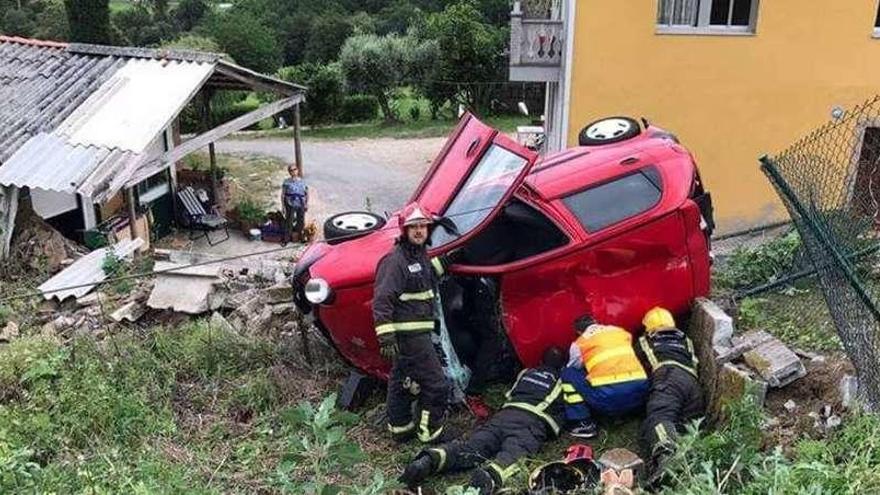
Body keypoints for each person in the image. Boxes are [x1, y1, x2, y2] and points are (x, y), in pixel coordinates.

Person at [400, 346, 568, 494]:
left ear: (540, 360)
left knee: (471, 448)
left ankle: (432, 458)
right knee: (514, 455)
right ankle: (490, 476)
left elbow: (510, 394)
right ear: (561, 366)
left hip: (504, 416)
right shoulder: (561, 381)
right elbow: (564, 410)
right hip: (530, 422)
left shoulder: (526, 373)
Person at [373, 202, 455, 444]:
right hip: (410, 335)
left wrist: (451, 259)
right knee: (437, 385)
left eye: (423, 226)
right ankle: (431, 432)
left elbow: (425, 276)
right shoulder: (395, 261)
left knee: (401, 380)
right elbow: (382, 298)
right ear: (404, 231)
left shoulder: (417, 255)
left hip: (416, 332)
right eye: (414, 227)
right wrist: (385, 336)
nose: (419, 231)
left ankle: (400, 428)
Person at [633, 307, 703, 486]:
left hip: (668, 377)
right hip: (692, 384)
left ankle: (668, 458)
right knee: (684, 426)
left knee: (659, 418)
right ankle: (688, 466)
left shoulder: (645, 341)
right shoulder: (686, 340)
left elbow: (636, 366)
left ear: (649, 328)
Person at [561, 317, 649, 438]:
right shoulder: (618, 331)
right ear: (596, 323)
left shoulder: (579, 343)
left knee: (568, 372)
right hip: (641, 395)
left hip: (611, 401)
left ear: (579, 332)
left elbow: (575, 367)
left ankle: (582, 422)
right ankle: (639, 410)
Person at [280, 164, 308, 244]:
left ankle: (301, 237)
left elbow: (306, 193)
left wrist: (306, 203)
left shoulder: (302, 181)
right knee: (289, 221)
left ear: (297, 170)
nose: (293, 172)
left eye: (295, 169)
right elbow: (283, 194)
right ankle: (286, 239)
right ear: (289, 172)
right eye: (291, 170)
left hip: (300, 203)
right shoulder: (286, 182)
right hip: (290, 203)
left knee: (301, 221)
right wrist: (283, 206)